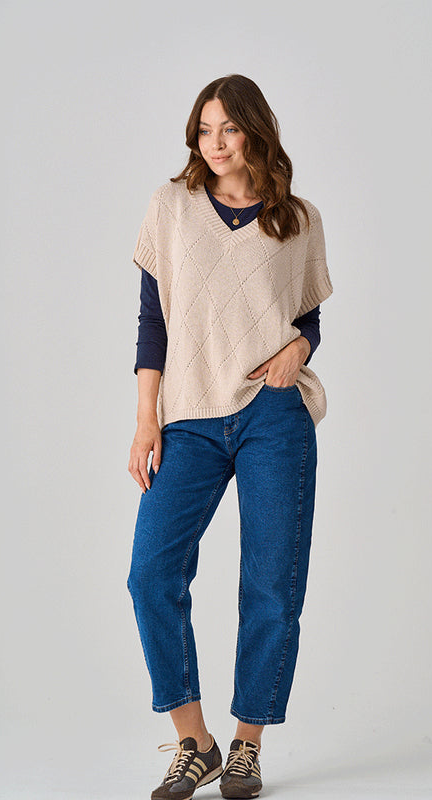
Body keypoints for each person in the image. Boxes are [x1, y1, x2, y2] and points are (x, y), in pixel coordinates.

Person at [127, 74, 333, 800]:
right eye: (205, 130)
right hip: (189, 416)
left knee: (272, 583)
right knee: (151, 574)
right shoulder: (172, 206)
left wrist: (298, 351)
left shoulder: (297, 219)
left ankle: (247, 745)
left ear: (254, 130)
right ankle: (196, 742)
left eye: (229, 129)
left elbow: (306, 320)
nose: (214, 143)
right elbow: (152, 320)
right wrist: (146, 419)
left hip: (274, 414)